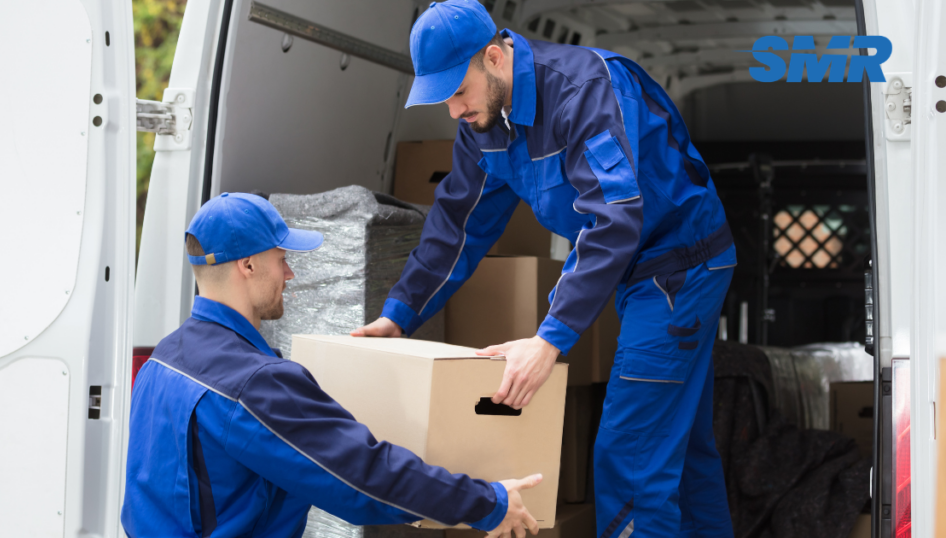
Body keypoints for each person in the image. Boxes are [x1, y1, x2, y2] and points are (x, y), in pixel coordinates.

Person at [352, 1, 737, 537]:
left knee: (630, 454)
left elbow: (613, 219)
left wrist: (549, 339)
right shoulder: (485, 122)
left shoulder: (583, 93)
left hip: (679, 267)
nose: (454, 111)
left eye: (458, 92)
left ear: (494, 58)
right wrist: (399, 315)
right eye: (443, 99)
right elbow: (457, 226)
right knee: (683, 452)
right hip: (639, 271)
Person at [121, 192, 542, 538]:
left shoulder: (163, 359)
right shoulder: (254, 383)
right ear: (247, 265)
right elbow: (363, 477)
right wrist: (488, 502)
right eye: (281, 258)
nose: (289, 273)